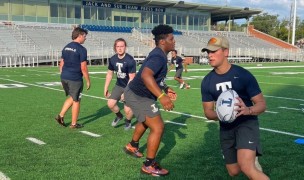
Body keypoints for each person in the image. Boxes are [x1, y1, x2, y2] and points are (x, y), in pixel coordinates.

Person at [200, 36, 269, 180]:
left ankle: (250, 162)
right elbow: (208, 112)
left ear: (226, 52)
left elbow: (262, 104)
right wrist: (223, 113)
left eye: (214, 51)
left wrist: (247, 110)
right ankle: (251, 161)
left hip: (246, 123)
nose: (210, 55)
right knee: (234, 171)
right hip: (226, 128)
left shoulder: (242, 75)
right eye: (208, 52)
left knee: (246, 166)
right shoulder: (207, 81)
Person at [123, 24, 177, 177]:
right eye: (171, 39)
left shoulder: (159, 54)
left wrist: (165, 88)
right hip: (139, 95)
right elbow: (146, 75)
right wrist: (162, 96)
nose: (174, 42)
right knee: (158, 127)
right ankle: (149, 165)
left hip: (137, 94)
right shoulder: (158, 56)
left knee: (147, 120)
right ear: (162, 41)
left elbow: (154, 76)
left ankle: (132, 146)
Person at [55, 27, 90, 129]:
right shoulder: (82, 49)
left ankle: (60, 116)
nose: (85, 38)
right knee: (77, 100)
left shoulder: (66, 47)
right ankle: (74, 124)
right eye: (84, 36)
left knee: (72, 96)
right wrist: (88, 80)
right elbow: (83, 67)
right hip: (75, 78)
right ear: (79, 36)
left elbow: (61, 64)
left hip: (64, 76)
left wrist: (63, 75)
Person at [104, 38, 136, 130]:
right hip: (119, 85)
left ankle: (128, 121)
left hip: (130, 86)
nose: (120, 48)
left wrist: (125, 92)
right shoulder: (113, 59)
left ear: (125, 47)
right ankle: (119, 116)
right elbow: (110, 74)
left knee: (127, 110)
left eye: (122, 46)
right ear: (115, 47)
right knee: (110, 104)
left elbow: (132, 78)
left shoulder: (130, 60)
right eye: (117, 46)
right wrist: (105, 88)